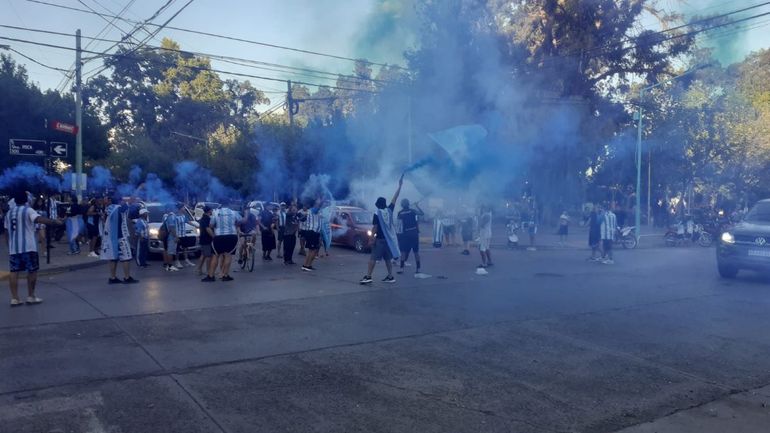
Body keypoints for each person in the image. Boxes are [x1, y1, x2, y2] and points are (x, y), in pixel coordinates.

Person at [4, 190, 63, 306]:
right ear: (26, 200)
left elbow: (6, 232)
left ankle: (15, 298)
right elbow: (38, 219)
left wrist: (9, 245)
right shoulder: (28, 210)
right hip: (28, 247)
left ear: (15, 200)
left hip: (14, 248)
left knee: (14, 272)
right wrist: (54, 222)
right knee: (32, 271)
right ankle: (31, 296)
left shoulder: (9, 213)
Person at [360, 174, 403, 284]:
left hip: (379, 240)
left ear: (378, 205)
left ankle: (368, 276)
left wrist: (371, 238)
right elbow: (395, 198)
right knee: (387, 259)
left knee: (373, 258)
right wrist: (400, 186)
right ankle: (390, 276)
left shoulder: (377, 213)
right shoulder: (389, 210)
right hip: (389, 240)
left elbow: (375, 227)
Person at [100, 196, 139, 284]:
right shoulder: (119, 208)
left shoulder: (108, 209)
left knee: (113, 258)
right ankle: (127, 277)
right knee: (126, 257)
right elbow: (130, 206)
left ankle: (112, 278)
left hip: (110, 237)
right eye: (122, 201)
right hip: (120, 236)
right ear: (119, 202)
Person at [204, 203, 241, 282]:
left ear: (221, 205)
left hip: (219, 236)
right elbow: (240, 221)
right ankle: (225, 275)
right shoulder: (234, 212)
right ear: (229, 205)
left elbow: (210, 225)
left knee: (215, 256)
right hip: (231, 236)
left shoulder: (216, 212)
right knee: (228, 255)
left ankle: (211, 276)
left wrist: (216, 229)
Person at [397, 198, 424, 275]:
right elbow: (422, 213)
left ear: (402, 205)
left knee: (403, 252)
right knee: (416, 252)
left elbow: (399, 226)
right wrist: (417, 206)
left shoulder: (400, 213)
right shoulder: (413, 211)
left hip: (405, 234)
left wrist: (398, 236)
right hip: (414, 233)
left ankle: (401, 269)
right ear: (408, 204)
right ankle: (418, 269)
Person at [300, 199, 322, 272]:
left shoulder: (315, 210)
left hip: (314, 232)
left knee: (313, 250)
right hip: (312, 232)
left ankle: (307, 265)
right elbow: (319, 206)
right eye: (317, 203)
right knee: (312, 250)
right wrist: (323, 199)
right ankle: (306, 265)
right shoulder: (313, 210)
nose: (318, 204)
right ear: (314, 204)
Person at [174, 203, 196, 268]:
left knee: (185, 248)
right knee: (177, 250)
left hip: (184, 234)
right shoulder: (175, 216)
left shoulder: (183, 216)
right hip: (178, 235)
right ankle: (177, 262)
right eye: (183, 208)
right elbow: (173, 227)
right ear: (180, 208)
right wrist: (175, 236)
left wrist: (197, 226)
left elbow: (189, 222)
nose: (184, 209)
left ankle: (187, 260)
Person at [196, 206, 214, 276]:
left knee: (203, 255)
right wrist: (214, 236)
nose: (212, 211)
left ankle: (199, 269)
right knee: (208, 256)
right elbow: (208, 229)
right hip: (207, 239)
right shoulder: (207, 219)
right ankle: (208, 271)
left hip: (203, 238)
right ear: (209, 211)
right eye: (211, 210)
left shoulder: (203, 218)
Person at [161, 206, 179, 272]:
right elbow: (172, 227)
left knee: (168, 250)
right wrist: (175, 236)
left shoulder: (166, 216)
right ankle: (170, 266)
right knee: (170, 251)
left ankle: (168, 265)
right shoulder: (171, 216)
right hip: (171, 237)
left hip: (168, 236)